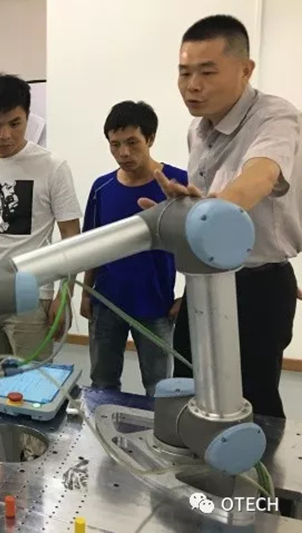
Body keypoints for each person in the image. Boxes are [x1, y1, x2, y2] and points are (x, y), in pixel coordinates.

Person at [140, 15, 302, 418]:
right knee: (188, 384)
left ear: (246, 70)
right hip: (204, 279)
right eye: (184, 73)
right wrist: (184, 209)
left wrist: (210, 213)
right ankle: (191, 458)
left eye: (207, 72)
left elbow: (261, 175)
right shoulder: (198, 129)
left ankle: (262, 462)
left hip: (258, 285)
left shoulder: (275, 117)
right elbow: (205, 198)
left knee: (253, 400)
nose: (192, 85)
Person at [0, 73, 81, 361]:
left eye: (14, 124)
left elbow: (71, 235)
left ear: (28, 117)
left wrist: (64, 295)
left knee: (33, 381)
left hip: (31, 295)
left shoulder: (52, 167)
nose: (5, 135)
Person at [81, 101, 187, 397]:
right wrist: (86, 292)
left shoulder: (178, 184)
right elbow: (92, 244)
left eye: (132, 143)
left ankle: (159, 429)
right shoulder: (102, 188)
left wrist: (189, 296)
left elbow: (200, 246)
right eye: (115, 145)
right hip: (107, 302)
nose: (123, 153)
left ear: (150, 139)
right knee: (102, 384)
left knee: (159, 388)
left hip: (156, 304)